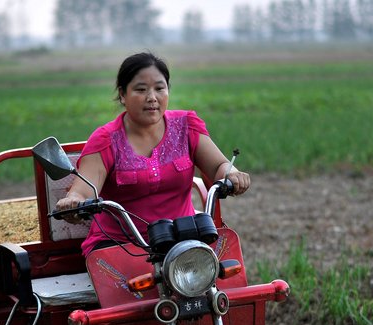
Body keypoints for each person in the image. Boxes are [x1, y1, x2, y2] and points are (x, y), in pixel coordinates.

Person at [56, 51, 251, 256]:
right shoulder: (105, 140)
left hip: (183, 238)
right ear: (123, 94)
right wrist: (74, 202)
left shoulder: (187, 127)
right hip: (121, 245)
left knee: (221, 278)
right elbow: (83, 190)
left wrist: (232, 173)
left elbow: (218, 166)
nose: (152, 98)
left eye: (160, 88)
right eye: (141, 90)